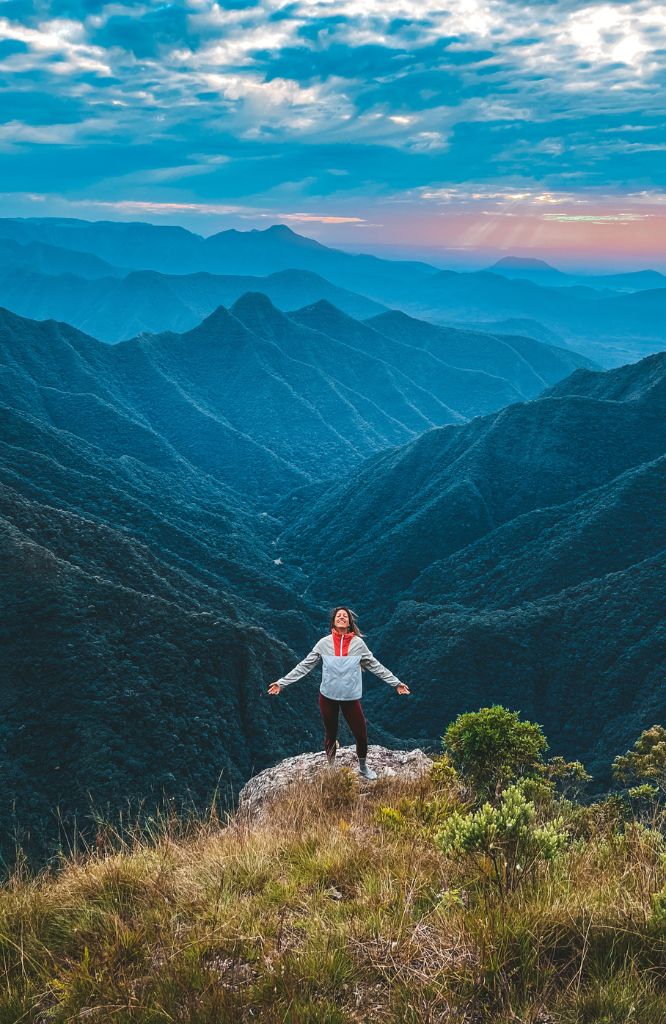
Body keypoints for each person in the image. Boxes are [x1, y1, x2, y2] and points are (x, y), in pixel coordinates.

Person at [268, 606, 410, 779]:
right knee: (331, 734)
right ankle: (331, 768)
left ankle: (363, 767)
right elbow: (304, 666)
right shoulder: (323, 643)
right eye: (338, 616)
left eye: (345, 616)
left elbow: (376, 666)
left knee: (361, 735)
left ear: (349, 622)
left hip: (351, 699)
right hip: (328, 697)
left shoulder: (359, 644)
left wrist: (396, 683)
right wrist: (282, 683)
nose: (342, 617)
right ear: (333, 621)